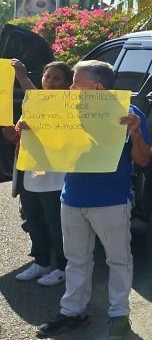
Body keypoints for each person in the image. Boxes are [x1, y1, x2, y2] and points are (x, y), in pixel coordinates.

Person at [35, 60, 152, 339]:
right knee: (76, 259)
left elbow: (144, 159)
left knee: (119, 260)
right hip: (72, 197)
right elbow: (48, 147)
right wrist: (30, 130)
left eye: (75, 82)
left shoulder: (128, 114)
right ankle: (72, 311)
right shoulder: (64, 112)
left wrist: (135, 132)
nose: (70, 87)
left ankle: (118, 315)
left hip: (111, 200)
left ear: (97, 87)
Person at [9, 60, 72, 287]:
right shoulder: (32, 101)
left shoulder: (67, 103)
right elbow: (23, 131)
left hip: (54, 174)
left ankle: (63, 267)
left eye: (57, 78)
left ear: (67, 83)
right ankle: (42, 260)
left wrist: (22, 77)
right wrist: (16, 129)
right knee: (33, 218)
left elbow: (46, 110)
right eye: (48, 77)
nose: (51, 82)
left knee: (55, 222)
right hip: (30, 169)